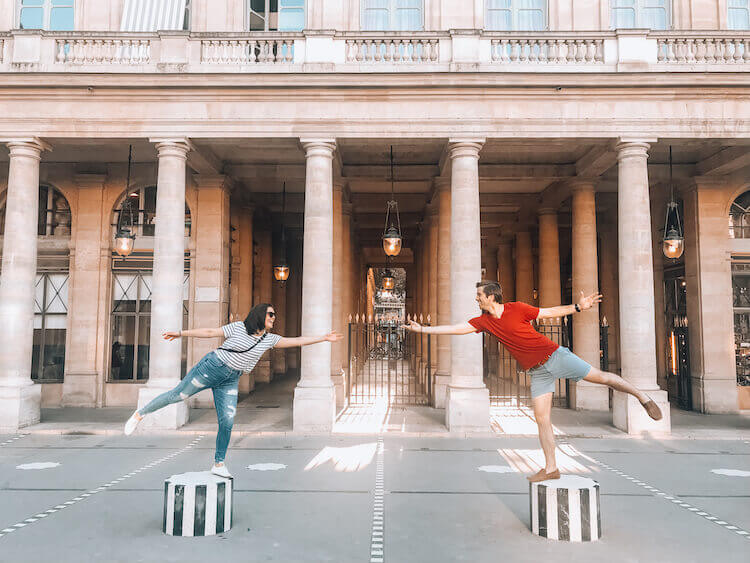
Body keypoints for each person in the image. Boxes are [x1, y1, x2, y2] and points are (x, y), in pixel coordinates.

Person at [403, 281, 662, 483]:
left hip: (555, 356)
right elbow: (457, 329)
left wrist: (578, 307)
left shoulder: (518, 308)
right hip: (538, 372)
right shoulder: (484, 321)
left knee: (602, 378)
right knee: (542, 419)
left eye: (479, 295)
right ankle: (551, 468)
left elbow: (549, 312)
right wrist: (423, 329)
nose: (476, 298)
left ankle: (643, 397)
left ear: (491, 296)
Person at [124, 302, 342, 477]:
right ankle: (139, 414)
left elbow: (296, 341)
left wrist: (323, 338)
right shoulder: (238, 327)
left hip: (230, 380)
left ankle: (218, 464)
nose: (274, 318)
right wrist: (181, 333)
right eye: (270, 315)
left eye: (274, 315)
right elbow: (210, 331)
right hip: (212, 367)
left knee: (227, 422)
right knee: (178, 395)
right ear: (260, 316)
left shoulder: (269, 339)